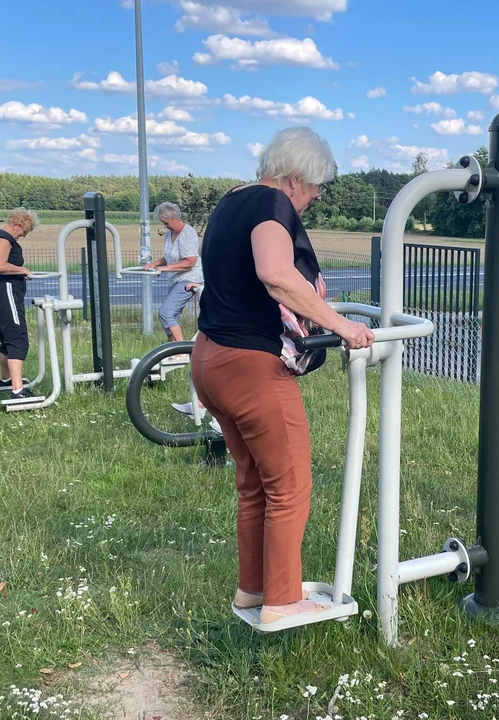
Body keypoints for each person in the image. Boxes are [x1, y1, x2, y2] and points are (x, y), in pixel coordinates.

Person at [190, 126, 374, 626]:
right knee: (289, 484)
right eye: (315, 187)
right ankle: (283, 600)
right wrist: (340, 324)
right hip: (250, 366)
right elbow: (275, 273)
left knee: (253, 483)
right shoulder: (274, 207)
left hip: (209, 358)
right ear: (294, 179)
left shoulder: (230, 202)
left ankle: (254, 590)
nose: (315, 197)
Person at [0, 207, 39, 401]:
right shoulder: (4, 239)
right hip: (3, 291)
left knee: (7, 337)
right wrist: (22, 269)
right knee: (17, 337)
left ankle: (6, 380)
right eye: (24, 232)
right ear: (17, 224)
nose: (23, 236)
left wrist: (18, 273)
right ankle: (18, 390)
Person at [143, 202, 202, 354]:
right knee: (170, 315)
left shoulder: (188, 233)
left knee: (166, 312)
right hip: (177, 279)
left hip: (189, 278)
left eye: (166, 223)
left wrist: (165, 268)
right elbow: (169, 257)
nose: (165, 227)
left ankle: (182, 351)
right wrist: (155, 263)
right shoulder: (170, 235)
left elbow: (190, 261)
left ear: (175, 218)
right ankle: (172, 350)